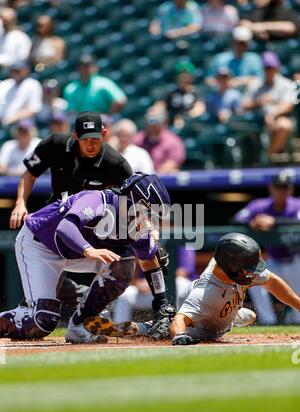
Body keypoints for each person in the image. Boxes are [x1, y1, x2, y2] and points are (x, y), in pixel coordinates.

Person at [0, 173, 176, 343]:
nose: (149, 220)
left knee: (124, 265)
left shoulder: (136, 224)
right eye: (147, 211)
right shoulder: (98, 200)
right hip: (41, 245)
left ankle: (79, 326)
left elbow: (148, 260)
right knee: (42, 322)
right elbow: (65, 228)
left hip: (76, 251)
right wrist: (89, 250)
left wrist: (161, 303)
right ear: (132, 200)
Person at [169, 232, 300, 344]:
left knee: (250, 316)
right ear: (231, 268)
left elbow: (272, 282)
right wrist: (179, 335)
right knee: (176, 327)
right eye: (249, 269)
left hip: (220, 309)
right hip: (200, 327)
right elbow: (180, 319)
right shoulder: (205, 294)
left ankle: (227, 316)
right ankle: (160, 324)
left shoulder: (233, 266)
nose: (253, 273)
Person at [9, 111, 133, 229]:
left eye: (95, 140)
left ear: (104, 134)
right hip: (57, 211)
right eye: (85, 140)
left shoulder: (116, 163)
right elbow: (29, 175)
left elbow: (133, 197)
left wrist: (128, 232)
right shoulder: (55, 144)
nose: (90, 145)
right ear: (75, 136)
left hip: (95, 220)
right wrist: (20, 203)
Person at [232, 171, 300, 324]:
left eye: (284, 187)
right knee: (254, 279)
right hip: (274, 260)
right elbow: (235, 220)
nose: (281, 191)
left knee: (298, 316)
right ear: (271, 188)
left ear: (290, 189)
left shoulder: (297, 204)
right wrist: (252, 222)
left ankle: (295, 321)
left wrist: (274, 221)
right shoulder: (260, 205)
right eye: (278, 187)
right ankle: (268, 320)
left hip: (296, 261)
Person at [243, 51, 294, 159]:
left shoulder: (286, 84)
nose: (270, 71)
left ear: (278, 67)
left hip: (277, 117)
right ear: (263, 69)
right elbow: (244, 105)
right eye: (267, 68)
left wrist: (271, 114)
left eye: (272, 68)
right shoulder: (255, 84)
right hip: (257, 119)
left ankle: (268, 156)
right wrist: (258, 102)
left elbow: (288, 105)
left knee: (284, 125)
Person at [132, 108, 186, 173]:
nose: (152, 126)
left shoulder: (173, 141)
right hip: (140, 178)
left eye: (155, 123)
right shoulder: (137, 139)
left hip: (163, 179)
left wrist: (153, 175)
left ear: (164, 123)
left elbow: (173, 163)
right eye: (149, 122)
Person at [163, 60, 205, 128]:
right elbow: (162, 106)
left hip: (190, 126)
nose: (183, 78)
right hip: (172, 125)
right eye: (181, 75)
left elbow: (199, 109)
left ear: (192, 77)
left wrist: (183, 117)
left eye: (186, 75)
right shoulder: (172, 93)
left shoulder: (196, 92)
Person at [0, 60, 43, 127]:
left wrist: (15, 117)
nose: (16, 73)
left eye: (18, 71)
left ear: (26, 71)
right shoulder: (5, 84)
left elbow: (34, 109)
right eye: (14, 71)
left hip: (23, 124)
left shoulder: (32, 84)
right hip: (3, 123)